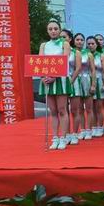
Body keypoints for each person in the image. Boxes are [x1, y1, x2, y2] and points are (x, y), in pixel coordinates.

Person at [39, 20, 72, 149]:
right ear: (47, 31)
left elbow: (65, 61)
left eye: (55, 28)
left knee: (62, 109)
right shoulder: (43, 45)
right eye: (50, 29)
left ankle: (63, 138)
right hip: (47, 79)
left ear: (59, 30)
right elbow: (40, 62)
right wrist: (43, 77)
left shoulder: (65, 44)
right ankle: (55, 138)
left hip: (60, 80)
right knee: (53, 111)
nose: (53, 31)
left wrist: (54, 76)